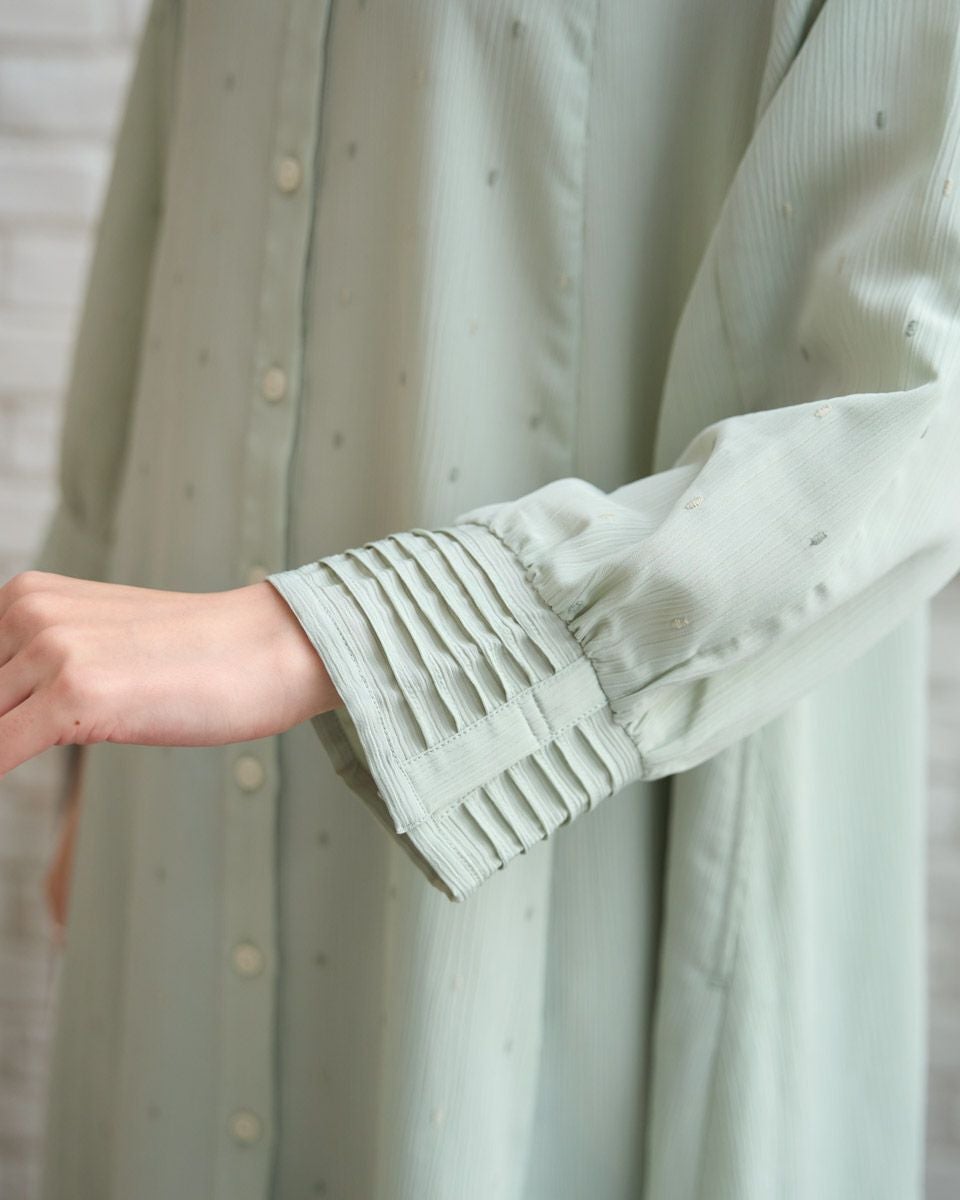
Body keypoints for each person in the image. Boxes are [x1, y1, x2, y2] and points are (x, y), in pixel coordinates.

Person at [3, 0, 958, 1195]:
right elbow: (162, 224)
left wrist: (336, 640)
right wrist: (81, 748)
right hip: (164, 840)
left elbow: (907, 410)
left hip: (575, 858)